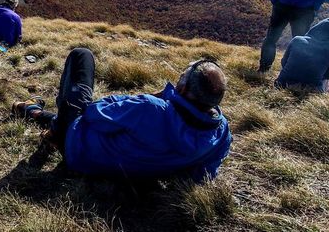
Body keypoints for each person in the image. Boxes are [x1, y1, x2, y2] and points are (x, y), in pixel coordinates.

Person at [12, 48, 232, 182]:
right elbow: (202, 176)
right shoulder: (221, 132)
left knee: (82, 56)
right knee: (61, 119)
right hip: (131, 172)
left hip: (80, 151)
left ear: (183, 89)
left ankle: (50, 127)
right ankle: (31, 110)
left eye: (181, 76)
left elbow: (93, 112)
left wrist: (144, 98)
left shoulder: (151, 108)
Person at [276, 17, 329, 92]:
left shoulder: (297, 39)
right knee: (326, 80)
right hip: (311, 90)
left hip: (282, 84)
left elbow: (283, 62)